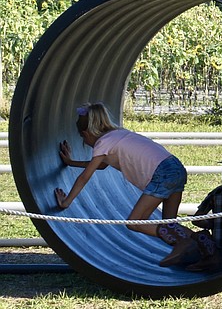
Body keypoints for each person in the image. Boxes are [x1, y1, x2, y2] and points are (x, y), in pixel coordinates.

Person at [55, 102, 196, 263]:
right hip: (176, 167)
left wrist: (66, 202)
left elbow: (85, 177)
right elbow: (100, 166)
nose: (84, 141)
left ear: (86, 133)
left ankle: (183, 243)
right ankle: (201, 241)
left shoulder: (103, 143)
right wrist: (71, 162)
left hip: (162, 173)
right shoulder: (119, 134)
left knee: (134, 222)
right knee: (169, 223)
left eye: (82, 137)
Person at [160, 150, 222, 271]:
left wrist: (213, 223)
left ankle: (199, 258)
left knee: (201, 236)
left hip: (219, 251)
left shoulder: (217, 194)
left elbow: (197, 220)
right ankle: (208, 260)